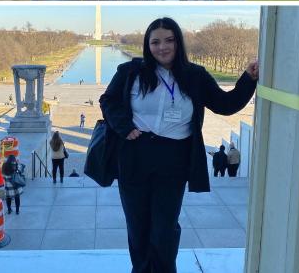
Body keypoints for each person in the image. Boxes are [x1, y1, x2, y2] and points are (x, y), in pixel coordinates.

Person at [98, 17, 259, 272]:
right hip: (135, 156)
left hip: (174, 159)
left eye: (169, 40)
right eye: (155, 42)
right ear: (147, 45)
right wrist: (124, 127)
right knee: (138, 227)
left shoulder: (195, 75)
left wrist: (248, 79)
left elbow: (225, 105)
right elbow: (108, 100)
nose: (163, 47)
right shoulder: (131, 71)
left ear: (179, 42)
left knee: (164, 228)